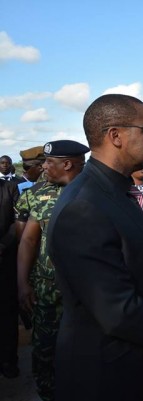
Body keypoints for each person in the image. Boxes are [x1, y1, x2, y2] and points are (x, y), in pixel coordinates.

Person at [46, 94, 143, 401]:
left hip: (138, 361)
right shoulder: (84, 206)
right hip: (106, 375)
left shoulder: (122, 193)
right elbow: (115, 308)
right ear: (115, 135)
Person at [17, 140, 89, 401]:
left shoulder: (94, 192)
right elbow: (28, 240)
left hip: (88, 293)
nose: (43, 166)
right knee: (45, 352)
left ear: (67, 164)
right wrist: (22, 282)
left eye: (48, 162)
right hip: (47, 290)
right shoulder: (38, 193)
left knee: (85, 353)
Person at [0, 177, 19, 378]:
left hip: (5, 262)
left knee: (6, 313)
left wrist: (3, 245)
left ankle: (8, 360)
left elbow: (18, 222)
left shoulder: (9, 188)